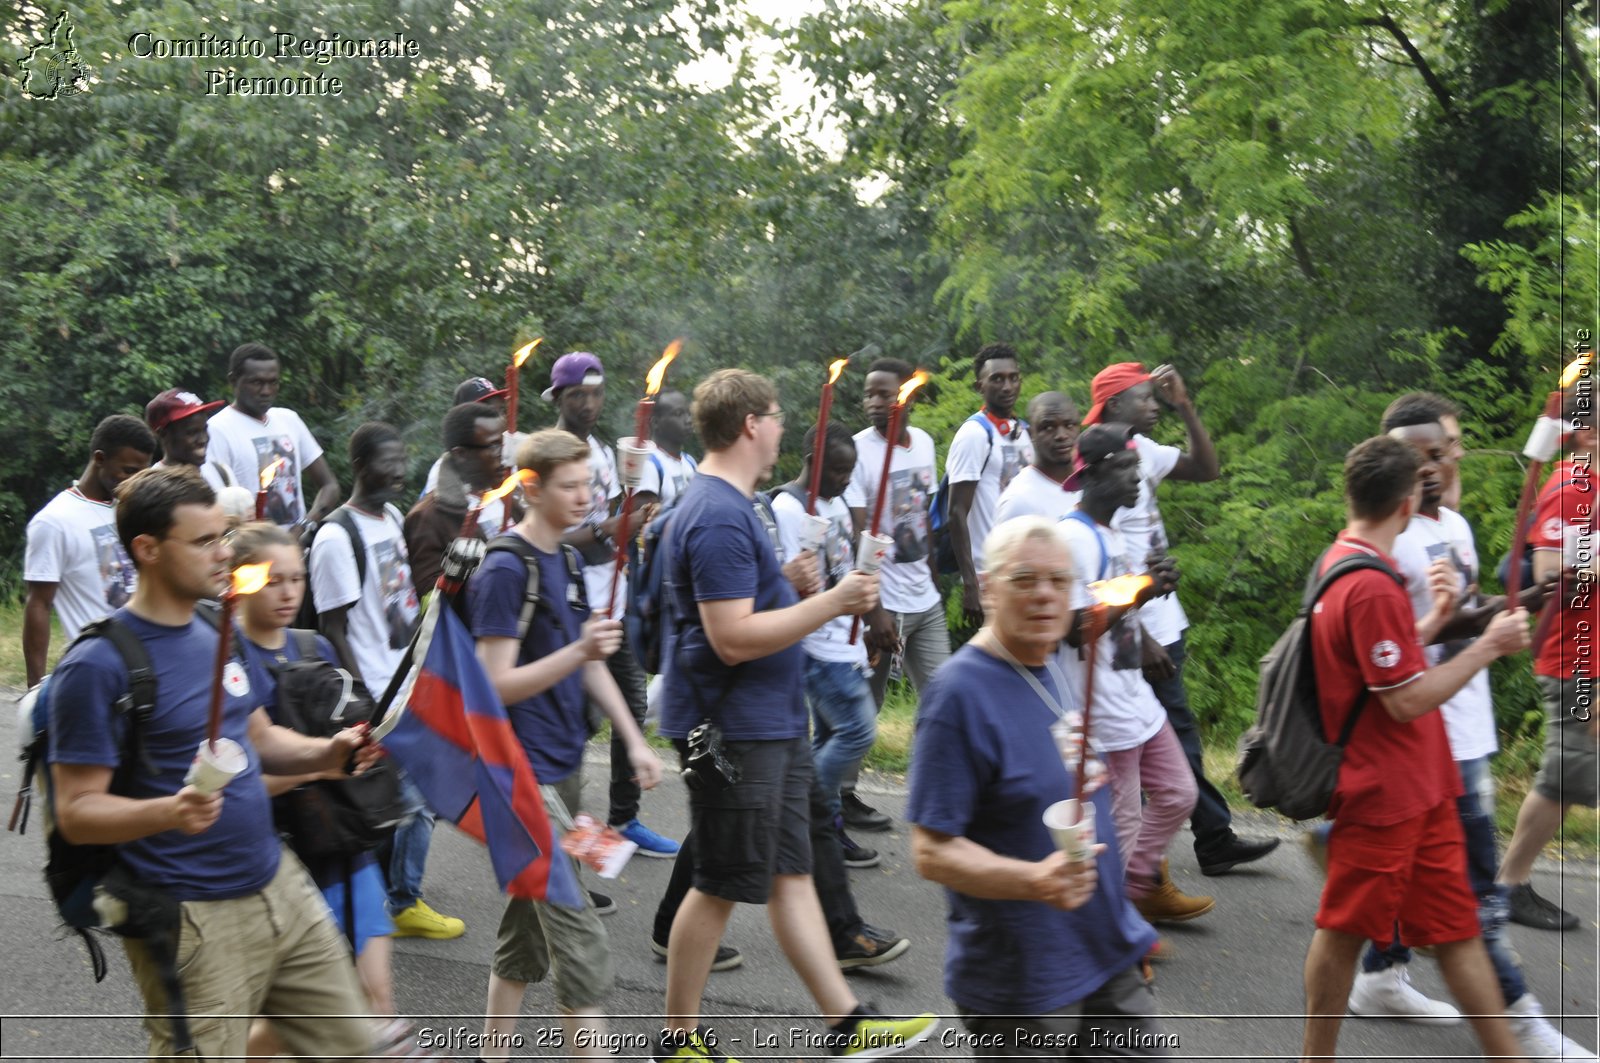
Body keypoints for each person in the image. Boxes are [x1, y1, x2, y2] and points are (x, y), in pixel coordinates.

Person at [46, 464, 377, 1061]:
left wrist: (328, 752)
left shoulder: (217, 624)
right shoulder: (97, 667)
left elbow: (258, 737)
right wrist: (171, 811)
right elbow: (77, 812)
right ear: (146, 549)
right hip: (191, 915)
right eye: (203, 542)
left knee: (356, 1046)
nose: (223, 555)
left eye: (222, 537)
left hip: (278, 881)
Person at [654, 368, 937, 1062]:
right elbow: (729, 637)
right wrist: (835, 600)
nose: (783, 426)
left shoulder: (731, 505)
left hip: (768, 724)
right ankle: (677, 1043)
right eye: (776, 415)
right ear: (751, 423)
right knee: (719, 881)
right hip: (729, 732)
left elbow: (736, 612)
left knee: (793, 874)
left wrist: (785, 585)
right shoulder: (718, 513)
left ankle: (847, 1024)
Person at [1340, 398, 1593, 1059]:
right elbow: (1394, 657)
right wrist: (1477, 631)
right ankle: (1522, 1026)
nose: (1442, 462)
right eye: (1426, 452)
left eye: (1447, 447)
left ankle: (1382, 974)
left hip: (1468, 729)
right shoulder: (1382, 542)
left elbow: (1469, 614)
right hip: (1426, 734)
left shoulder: (1453, 523)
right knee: (1474, 898)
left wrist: (1524, 603)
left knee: (1417, 880)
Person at [1299, 435, 1532, 1063]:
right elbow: (1401, 699)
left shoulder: (1348, 562)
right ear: (1406, 504)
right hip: (1383, 794)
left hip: (1424, 788)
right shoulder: (1368, 584)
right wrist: (1488, 644)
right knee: (1345, 931)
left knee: (1456, 932)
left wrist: (1433, 620)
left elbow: (1383, 663)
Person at [909, 516, 1171, 1058]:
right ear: (988, 588)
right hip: (1022, 982)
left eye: (1059, 581)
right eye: (1025, 579)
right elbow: (932, 852)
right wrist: (1034, 881)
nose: (1045, 595)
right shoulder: (958, 696)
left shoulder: (1050, 665)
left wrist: (1123, 927)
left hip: (1103, 955)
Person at [466, 428, 665, 1063]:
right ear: (531, 487)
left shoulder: (572, 562)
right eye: (570, 486)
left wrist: (633, 740)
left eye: (589, 484)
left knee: (528, 926)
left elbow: (588, 665)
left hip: (565, 765)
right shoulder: (505, 568)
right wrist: (578, 650)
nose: (586, 497)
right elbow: (493, 683)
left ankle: (489, 1055)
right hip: (520, 777)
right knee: (578, 934)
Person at [231, 522, 422, 1059]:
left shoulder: (313, 645)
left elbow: (350, 732)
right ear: (241, 580)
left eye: (296, 578)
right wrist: (322, 765)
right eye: (273, 580)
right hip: (275, 856)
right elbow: (245, 777)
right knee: (300, 1017)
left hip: (342, 842)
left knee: (374, 999)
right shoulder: (226, 657)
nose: (289, 591)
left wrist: (366, 748)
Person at [1086, 361, 1278, 876]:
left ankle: (1183, 843)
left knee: (1167, 735)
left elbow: (1207, 468)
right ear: (1112, 404)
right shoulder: (1099, 457)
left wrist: (1186, 406)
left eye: (1155, 397)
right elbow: (1107, 557)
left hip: (1166, 619)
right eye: (1144, 397)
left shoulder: (1143, 450)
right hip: (1136, 625)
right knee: (1167, 737)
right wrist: (1140, 633)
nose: (1154, 405)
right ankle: (1195, 843)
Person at [1057, 424, 1212, 926]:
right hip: (1103, 708)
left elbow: (1117, 604)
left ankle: (1133, 889)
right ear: (1094, 473)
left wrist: (1149, 592)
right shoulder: (1072, 539)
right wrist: (1142, 592)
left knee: (1180, 794)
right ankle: (1114, 925)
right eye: (1126, 470)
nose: (1136, 481)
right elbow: (1072, 631)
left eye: (1137, 469)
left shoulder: (1112, 532)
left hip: (1135, 696)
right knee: (1121, 822)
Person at [310, 422, 460, 941]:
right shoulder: (336, 536)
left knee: (403, 800)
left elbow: (402, 601)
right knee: (412, 800)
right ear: (358, 466)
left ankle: (377, 896)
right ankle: (400, 901)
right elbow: (333, 628)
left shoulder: (393, 516)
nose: (398, 471)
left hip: (407, 681)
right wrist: (365, 700)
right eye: (386, 462)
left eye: (402, 460)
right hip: (376, 692)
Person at [546, 351, 678, 861]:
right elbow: (548, 538)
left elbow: (609, 524)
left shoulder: (603, 451)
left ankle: (624, 821)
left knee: (632, 708)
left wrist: (636, 515)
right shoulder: (550, 455)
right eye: (578, 394)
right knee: (576, 726)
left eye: (596, 393)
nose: (589, 403)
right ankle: (559, 836)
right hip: (570, 610)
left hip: (612, 604)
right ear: (557, 397)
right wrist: (607, 529)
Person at [1498, 374, 1600, 932]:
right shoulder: (1571, 487)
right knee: (1566, 776)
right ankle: (1509, 885)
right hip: (1574, 658)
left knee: (1573, 774)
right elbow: (1547, 572)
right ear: (1585, 435)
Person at [843, 357, 950, 832]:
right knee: (865, 705)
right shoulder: (858, 452)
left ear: (906, 394)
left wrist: (931, 570)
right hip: (883, 604)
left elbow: (921, 515)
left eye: (884, 393)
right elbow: (857, 534)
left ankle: (945, 794)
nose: (874, 402)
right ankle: (839, 796)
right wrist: (874, 610)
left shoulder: (924, 443)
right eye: (868, 393)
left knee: (947, 697)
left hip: (924, 600)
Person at [772, 422, 882, 868]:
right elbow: (789, 581)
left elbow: (843, 566)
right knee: (858, 731)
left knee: (832, 737)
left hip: (845, 640)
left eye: (850, 471)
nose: (844, 480)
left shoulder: (833, 502)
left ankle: (827, 831)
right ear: (812, 462)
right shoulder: (788, 508)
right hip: (818, 645)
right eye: (837, 470)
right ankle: (804, 816)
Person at [24, 414, 155, 687]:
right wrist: (35, 687)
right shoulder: (55, 521)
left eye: (143, 473)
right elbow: (39, 604)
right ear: (99, 459)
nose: (136, 481)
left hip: (146, 664)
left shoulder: (132, 510)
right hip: (96, 670)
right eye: (129, 471)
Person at [205, 342, 340, 529]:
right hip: (250, 552)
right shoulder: (217, 429)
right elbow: (218, 505)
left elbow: (329, 485)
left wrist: (304, 527)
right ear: (233, 380)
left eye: (273, 382)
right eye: (257, 382)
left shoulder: (289, 420)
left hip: (296, 550)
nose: (266, 391)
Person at [946, 342, 1032, 633]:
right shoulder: (974, 434)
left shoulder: (1025, 431)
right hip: (990, 576)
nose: (1007, 386)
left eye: (1013, 377)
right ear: (979, 386)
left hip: (1025, 570)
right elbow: (956, 512)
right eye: (997, 379)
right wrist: (971, 584)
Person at [406, 402, 517, 594]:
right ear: (461, 454)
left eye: (504, 445)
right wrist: (457, 574)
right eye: (494, 447)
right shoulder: (428, 517)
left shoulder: (505, 494)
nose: (504, 456)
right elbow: (429, 602)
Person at [994, 391, 1083, 525]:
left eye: (1069, 425)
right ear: (1031, 434)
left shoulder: (1094, 482)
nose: (1061, 435)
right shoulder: (1019, 501)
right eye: (1048, 427)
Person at [420, 376, 514, 498]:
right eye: (486, 411)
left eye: (500, 410)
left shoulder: (512, 454)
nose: (497, 419)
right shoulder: (443, 474)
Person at [145, 389, 233, 490]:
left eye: (204, 429)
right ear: (163, 434)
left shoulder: (219, 471)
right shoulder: (153, 488)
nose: (203, 439)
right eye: (192, 432)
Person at [633, 388, 699, 508]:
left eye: (688, 413)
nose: (688, 420)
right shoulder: (649, 466)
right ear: (656, 423)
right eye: (678, 414)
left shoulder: (690, 462)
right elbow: (645, 522)